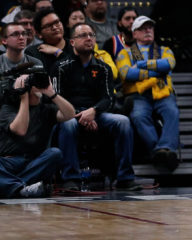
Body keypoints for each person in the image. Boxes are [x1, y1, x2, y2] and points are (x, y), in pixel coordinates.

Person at [56, 22, 137, 190]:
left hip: (96, 114)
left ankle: (124, 177)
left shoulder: (104, 68)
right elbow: (56, 98)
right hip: (69, 115)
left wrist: (93, 111)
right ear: (72, 42)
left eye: (91, 35)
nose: (88, 39)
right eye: (83, 35)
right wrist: (81, 115)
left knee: (122, 121)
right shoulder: (60, 67)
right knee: (68, 124)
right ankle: (70, 178)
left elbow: (109, 98)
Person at [0, 23, 75, 198]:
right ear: (4, 40)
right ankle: (22, 188)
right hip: (9, 160)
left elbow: (70, 114)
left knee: (55, 153)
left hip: (33, 160)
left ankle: (12, 186)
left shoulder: (45, 107)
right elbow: (20, 130)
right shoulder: (7, 108)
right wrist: (22, 95)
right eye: (16, 34)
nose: (21, 37)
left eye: (24, 34)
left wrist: (51, 92)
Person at [116, 16, 180, 171]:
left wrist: (142, 65)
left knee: (172, 112)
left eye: (150, 27)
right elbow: (126, 74)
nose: (147, 30)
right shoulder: (125, 53)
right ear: (134, 33)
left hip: (162, 93)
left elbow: (169, 64)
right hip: (138, 96)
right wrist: (156, 71)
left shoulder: (165, 50)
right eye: (143, 28)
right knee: (138, 116)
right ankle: (162, 152)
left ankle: (162, 149)